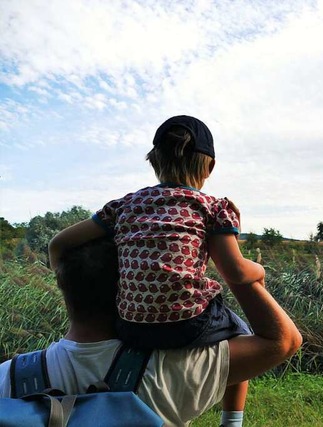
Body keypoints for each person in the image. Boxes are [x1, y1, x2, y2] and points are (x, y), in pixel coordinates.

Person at [47, 115, 266, 423]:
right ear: (210, 167)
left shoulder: (124, 205)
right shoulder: (213, 207)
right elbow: (237, 272)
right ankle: (232, 420)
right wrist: (260, 270)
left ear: (153, 160)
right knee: (241, 334)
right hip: (188, 323)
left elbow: (59, 244)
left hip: (130, 325)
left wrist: (62, 278)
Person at [0, 237, 302, 426]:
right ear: (131, 290)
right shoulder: (175, 368)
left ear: (64, 287)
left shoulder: (7, 377)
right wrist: (235, 270)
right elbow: (284, 340)